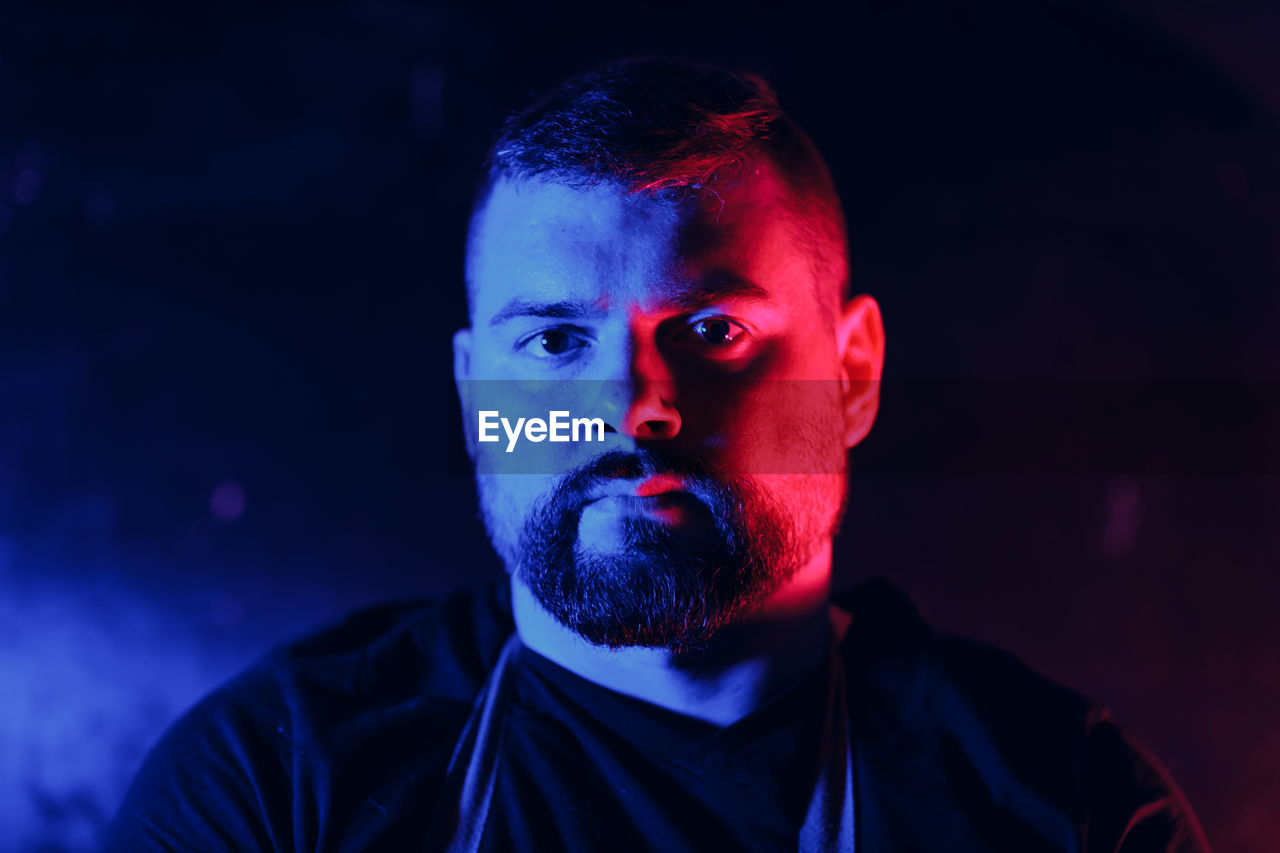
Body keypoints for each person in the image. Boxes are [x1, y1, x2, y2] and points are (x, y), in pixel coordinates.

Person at [104, 56, 1209, 852]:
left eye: (711, 331)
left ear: (854, 372)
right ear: (475, 392)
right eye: (553, 341)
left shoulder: (1064, 804)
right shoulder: (273, 786)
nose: (633, 408)